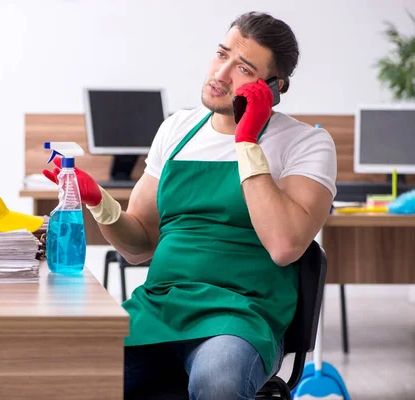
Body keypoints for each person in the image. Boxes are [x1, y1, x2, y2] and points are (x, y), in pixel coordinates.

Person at [43, 11, 337, 400]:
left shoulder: (306, 144)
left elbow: (285, 247)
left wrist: (247, 140)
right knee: (67, 372)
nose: (222, 73)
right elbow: (140, 244)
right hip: (159, 309)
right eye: (221, 54)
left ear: (273, 86)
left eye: (243, 68)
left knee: (219, 381)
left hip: (240, 317)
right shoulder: (177, 129)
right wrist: (98, 200)